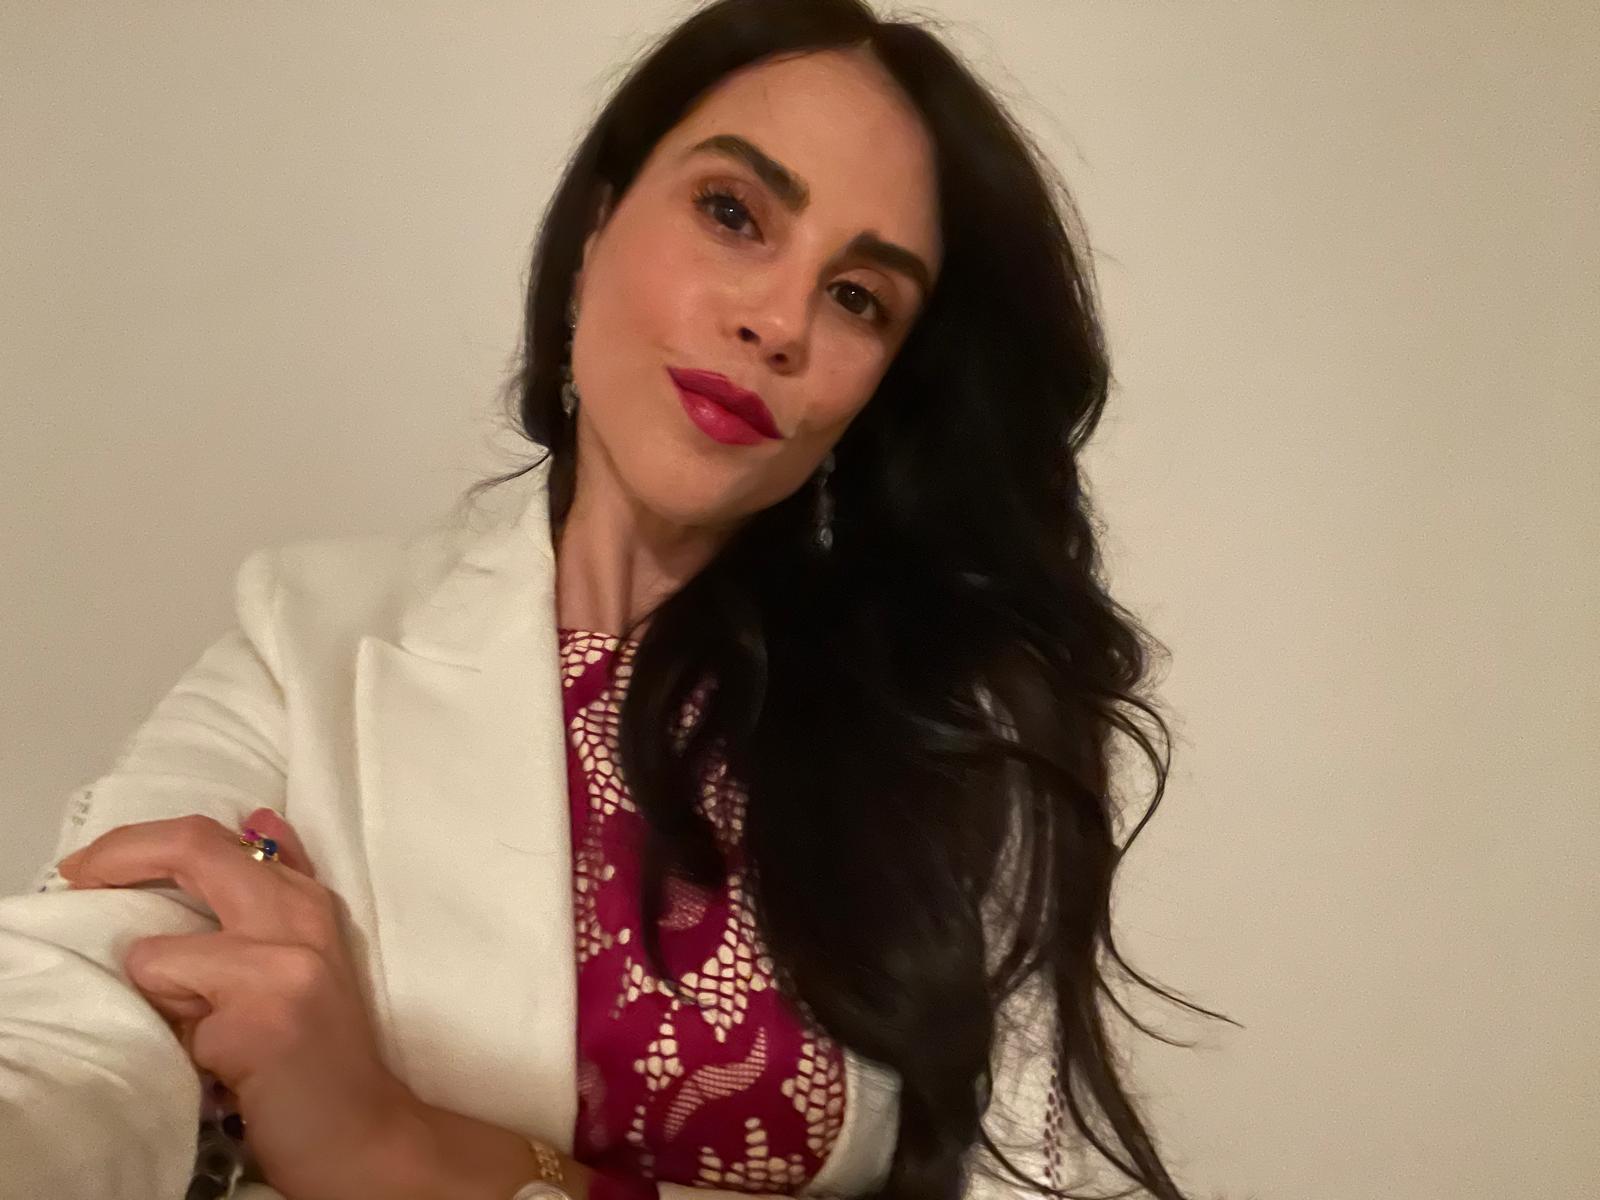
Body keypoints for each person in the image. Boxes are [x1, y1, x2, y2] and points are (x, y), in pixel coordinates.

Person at [0, 1, 1233, 1197]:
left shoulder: (958, 732)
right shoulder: (308, 639)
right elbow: (77, 1020)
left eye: (859, 297)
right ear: (595, 229)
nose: (779, 321)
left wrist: (411, 1155)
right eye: (733, 213)